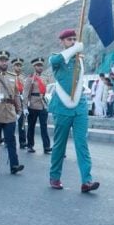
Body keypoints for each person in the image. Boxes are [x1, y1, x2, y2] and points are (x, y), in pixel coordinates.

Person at [47, 29, 98, 192]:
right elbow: (54, 61)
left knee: (82, 144)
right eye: (69, 40)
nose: (73, 42)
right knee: (59, 145)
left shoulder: (79, 60)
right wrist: (73, 50)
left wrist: (76, 52)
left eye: (75, 40)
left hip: (80, 107)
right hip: (62, 107)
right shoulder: (57, 58)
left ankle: (86, 181)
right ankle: (55, 177)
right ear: (62, 42)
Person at [24, 58, 50, 153]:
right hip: (33, 105)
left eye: (41, 65)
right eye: (38, 65)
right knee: (31, 126)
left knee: (44, 126)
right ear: (34, 67)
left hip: (42, 104)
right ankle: (30, 145)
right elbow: (26, 94)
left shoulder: (44, 78)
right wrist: (25, 107)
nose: (40, 67)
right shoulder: (30, 78)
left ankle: (46, 147)